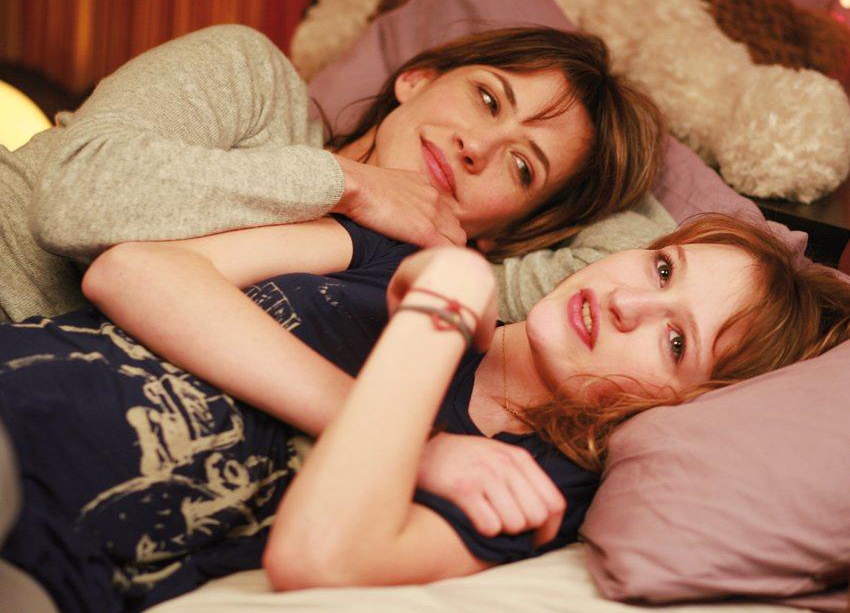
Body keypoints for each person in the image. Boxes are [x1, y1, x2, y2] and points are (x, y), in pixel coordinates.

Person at [2, 212, 849, 612]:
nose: (629, 303)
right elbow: (128, 270)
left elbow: (319, 556)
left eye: (675, 341)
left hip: (45, 554)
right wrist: (422, 438)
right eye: (663, 269)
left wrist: (437, 315)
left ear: (681, 407)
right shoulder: (399, 256)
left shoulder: (534, 483)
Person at [0, 23, 669, 326]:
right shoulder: (253, 79)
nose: (479, 146)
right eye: (488, 99)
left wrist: (608, 173)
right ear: (416, 79)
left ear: (508, 231)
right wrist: (350, 184)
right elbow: (74, 196)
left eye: (522, 168)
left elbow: (640, 257)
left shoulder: (424, 289)